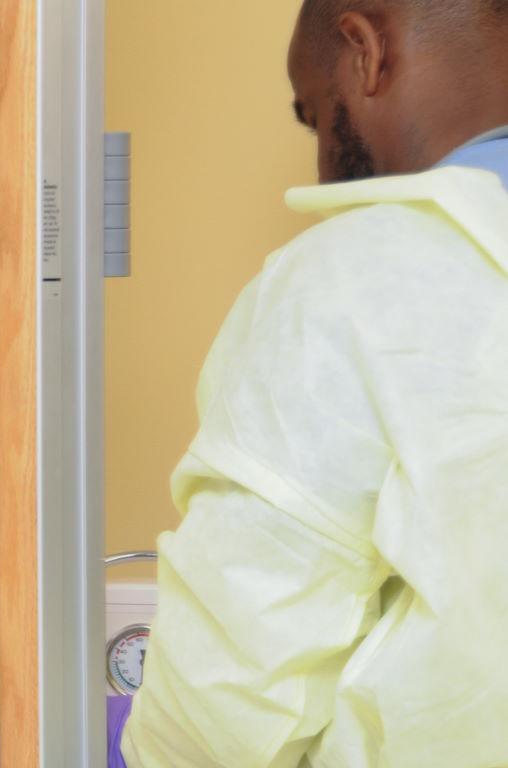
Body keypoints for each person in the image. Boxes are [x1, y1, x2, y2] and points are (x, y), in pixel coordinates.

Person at [116, 1, 508, 765]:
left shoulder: (364, 275)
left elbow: (225, 701)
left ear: (364, 52)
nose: (323, 161)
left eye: (317, 117)